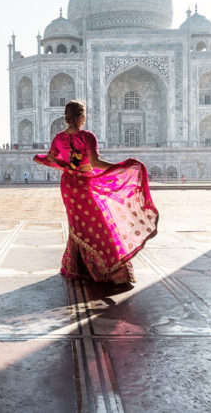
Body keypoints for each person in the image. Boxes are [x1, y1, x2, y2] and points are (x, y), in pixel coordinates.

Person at [34, 100, 158, 286]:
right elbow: (95, 163)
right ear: (82, 117)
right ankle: (109, 267)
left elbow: (51, 159)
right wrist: (119, 167)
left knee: (78, 225)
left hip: (69, 185)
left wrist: (64, 165)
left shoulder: (58, 138)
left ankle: (77, 267)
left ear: (67, 117)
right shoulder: (87, 136)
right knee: (98, 222)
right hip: (84, 182)